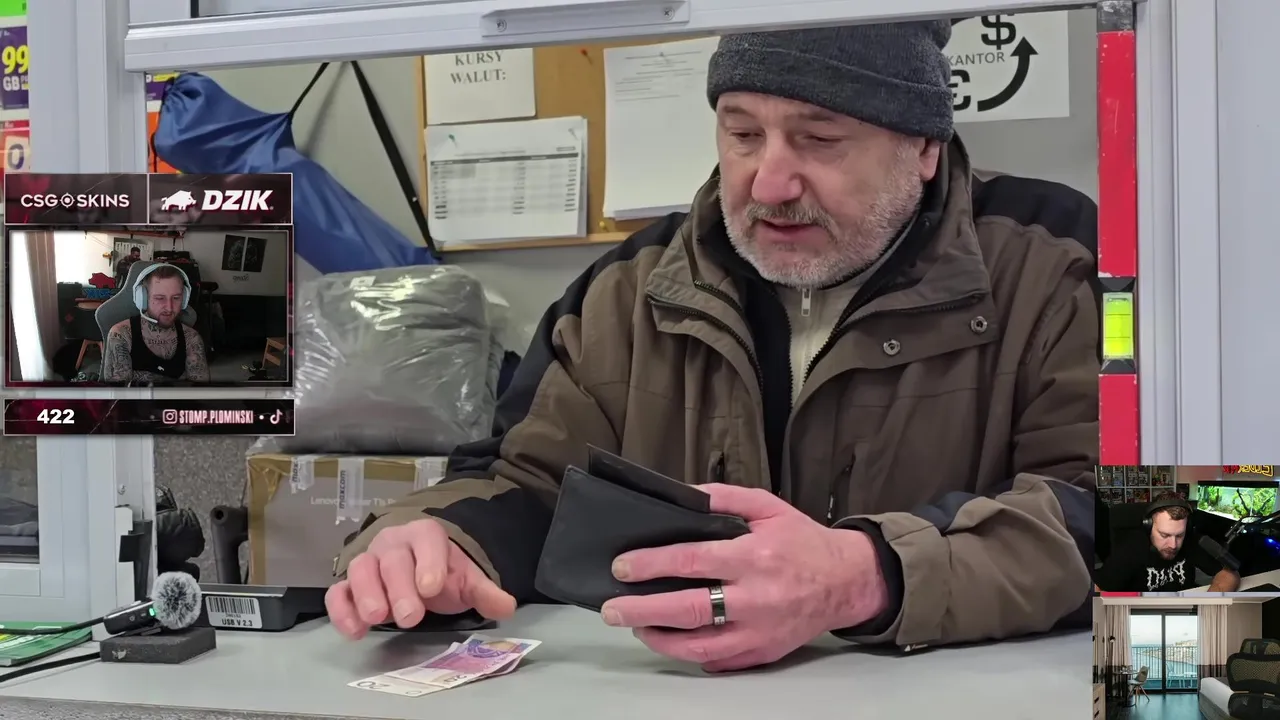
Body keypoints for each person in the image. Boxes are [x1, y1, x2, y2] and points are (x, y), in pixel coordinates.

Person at [326, 22, 1098, 671]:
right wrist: (436, 541)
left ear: (924, 147)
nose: (769, 183)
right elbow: (524, 484)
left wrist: (868, 576)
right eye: (743, 134)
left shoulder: (1057, 264)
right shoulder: (629, 291)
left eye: (819, 139)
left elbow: (1130, 515)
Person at [1095, 495, 1241, 593]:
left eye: (1179, 535)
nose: (1173, 545)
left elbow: (1230, 574)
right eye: (1164, 535)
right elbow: (1099, 591)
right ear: (1148, 526)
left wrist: (1208, 606)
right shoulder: (1129, 548)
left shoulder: (1191, 540)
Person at [101, 263, 209, 384]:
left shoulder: (192, 338)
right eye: (160, 298)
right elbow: (118, 391)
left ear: (184, 299)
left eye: (176, 298)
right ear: (143, 298)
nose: (169, 308)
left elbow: (200, 391)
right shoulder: (122, 334)